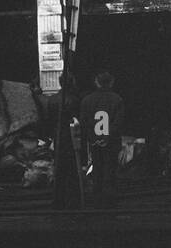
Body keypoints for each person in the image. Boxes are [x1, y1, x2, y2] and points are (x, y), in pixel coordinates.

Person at [35, 71, 82, 209]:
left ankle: (59, 199)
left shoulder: (53, 100)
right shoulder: (74, 100)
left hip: (58, 136)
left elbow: (48, 120)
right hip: (71, 137)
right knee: (73, 169)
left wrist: (49, 136)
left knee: (59, 168)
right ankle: (73, 199)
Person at [80, 70, 124, 206]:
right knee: (110, 168)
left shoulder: (87, 100)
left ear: (96, 82)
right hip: (111, 141)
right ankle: (110, 198)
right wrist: (108, 136)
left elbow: (84, 122)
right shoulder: (117, 99)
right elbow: (118, 122)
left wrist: (92, 137)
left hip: (94, 140)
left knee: (97, 167)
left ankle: (97, 196)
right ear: (111, 82)